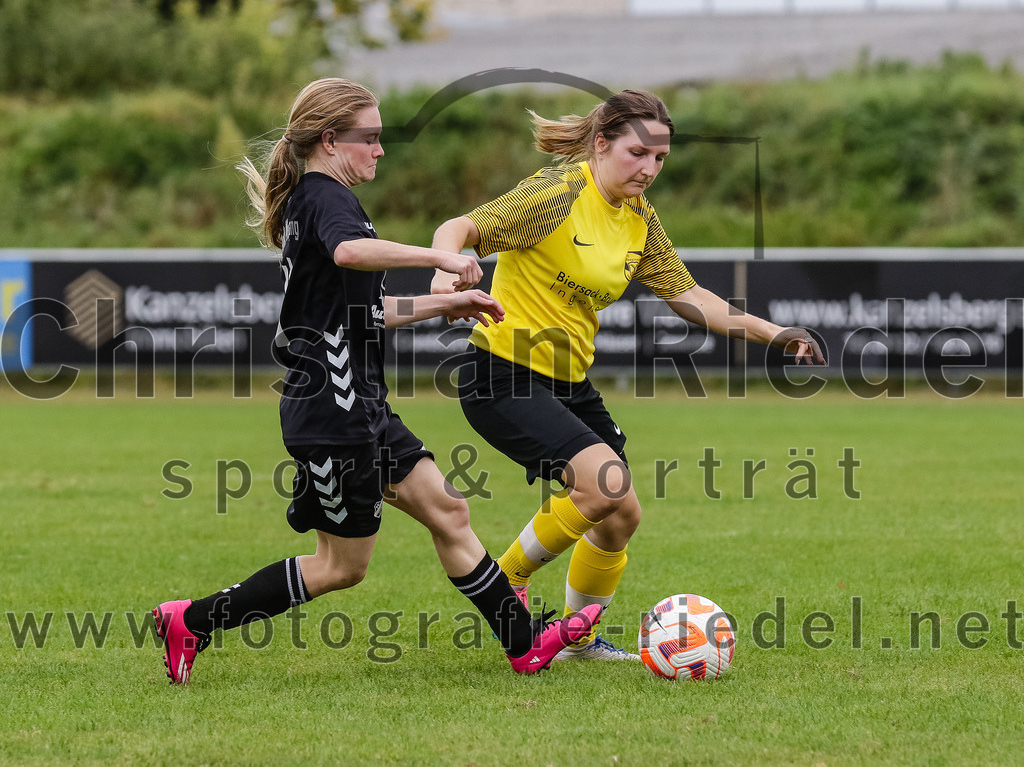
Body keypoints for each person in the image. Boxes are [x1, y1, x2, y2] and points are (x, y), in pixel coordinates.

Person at [151, 78, 601, 684]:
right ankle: (193, 620)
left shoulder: (322, 201)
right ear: (332, 140)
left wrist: (446, 306)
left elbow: (362, 312)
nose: (380, 151)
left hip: (360, 405)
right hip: (332, 409)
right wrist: (437, 256)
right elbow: (348, 256)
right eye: (372, 138)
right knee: (341, 566)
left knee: (449, 512)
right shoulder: (325, 198)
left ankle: (523, 644)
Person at [429, 89, 824, 662]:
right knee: (603, 484)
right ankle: (506, 581)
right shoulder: (555, 196)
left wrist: (773, 333)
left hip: (566, 381)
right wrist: (446, 273)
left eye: (659, 159)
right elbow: (457, 227)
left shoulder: (639, 218)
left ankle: (578, 640)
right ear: (601, 143)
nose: (649, 169)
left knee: (622, 513)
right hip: (502, 373)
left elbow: (691, 298)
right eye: (638, 153)